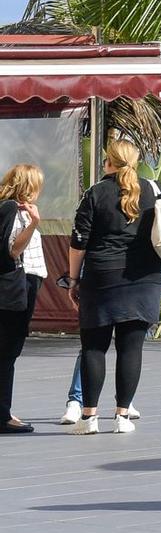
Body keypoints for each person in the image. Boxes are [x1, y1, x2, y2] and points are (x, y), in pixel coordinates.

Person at [70, 140, 161, 436]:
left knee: (94, 347)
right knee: (131, 349)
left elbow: (78, 241)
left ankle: (89, 417)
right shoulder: (154, 190)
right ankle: (123, 415)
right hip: (144, 279)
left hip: (101, 278)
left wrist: (73, 279)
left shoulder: (95, 193)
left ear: (108, 163)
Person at [0, 164, 42, 434]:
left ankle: (4, 411)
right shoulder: (11, 209)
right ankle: (3, 415)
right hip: (13, 287)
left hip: (20, 284)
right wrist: (35, 223)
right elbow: (12, 250)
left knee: (8, 352)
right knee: (7, 352)